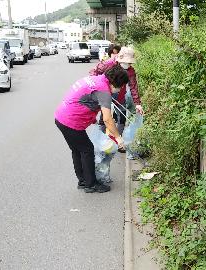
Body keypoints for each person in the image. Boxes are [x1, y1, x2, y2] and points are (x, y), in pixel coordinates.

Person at [55, 65, 129, 193]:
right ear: (116, 82)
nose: (121, 88)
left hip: (61, 117)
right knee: (87, 149)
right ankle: (91, 184)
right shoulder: (104, 91)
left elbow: (85, 99)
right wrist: (118, 137)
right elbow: (107, 119)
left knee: (77, 150)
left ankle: (83, 180)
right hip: (71, 121)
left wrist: (91, 118)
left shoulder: (95, 80)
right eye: (122, 85)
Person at [90, 46, 144, 135]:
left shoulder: (130, 71)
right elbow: (94, 73)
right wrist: (96, 88)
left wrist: (137, 104)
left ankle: (119, 139)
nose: (128, 64)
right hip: (105, 93)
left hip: (120, 96)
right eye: (126, 62)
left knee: (122, 117)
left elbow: (133, 86)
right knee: (105, 116)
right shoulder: (108, 64)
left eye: (130, 62)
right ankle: (102, 137)